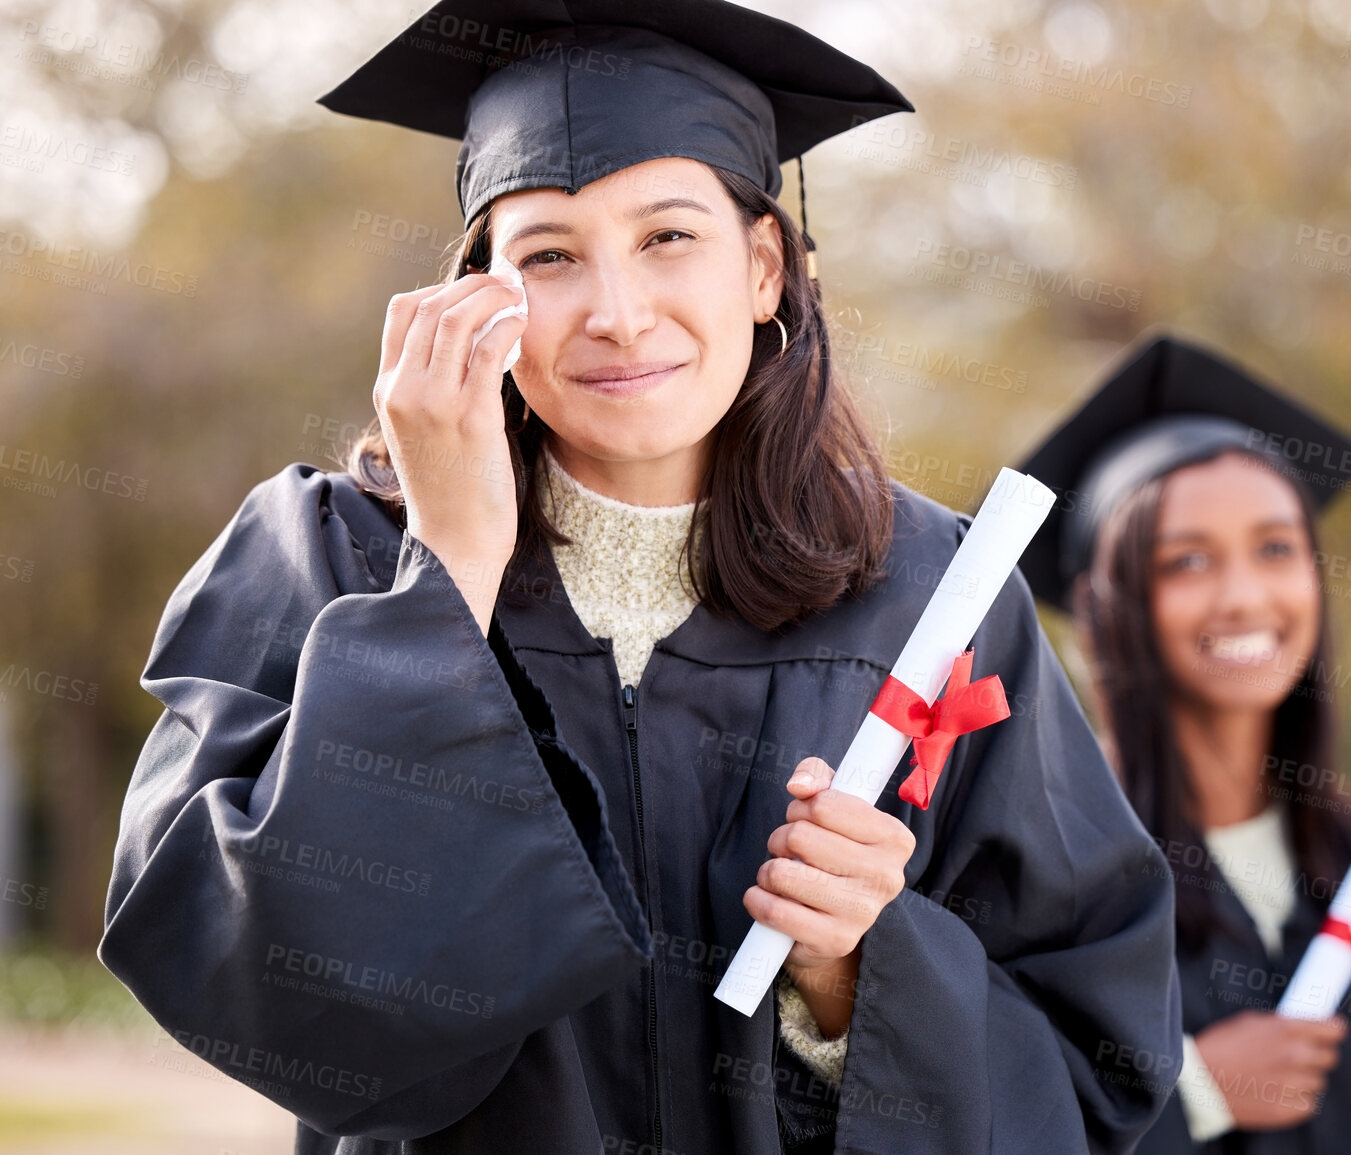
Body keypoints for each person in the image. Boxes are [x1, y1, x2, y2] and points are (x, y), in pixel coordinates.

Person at [96, 2, 1182, 1153]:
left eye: (669, 237)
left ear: (764, 267)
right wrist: (447, 574)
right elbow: (256, 990)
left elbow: (1096, 1055)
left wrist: (865, 975)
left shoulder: (931, 595)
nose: (616, 314)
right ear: (480, 297)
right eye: (550, 256)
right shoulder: (327, 560)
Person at [1017, 335, 1351, 1154]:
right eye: (1185, 561)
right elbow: (982, 1120)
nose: (1242, 596)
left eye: (1275, 548)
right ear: (1103, 603)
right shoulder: (1055, 886)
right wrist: (1191, 1092)